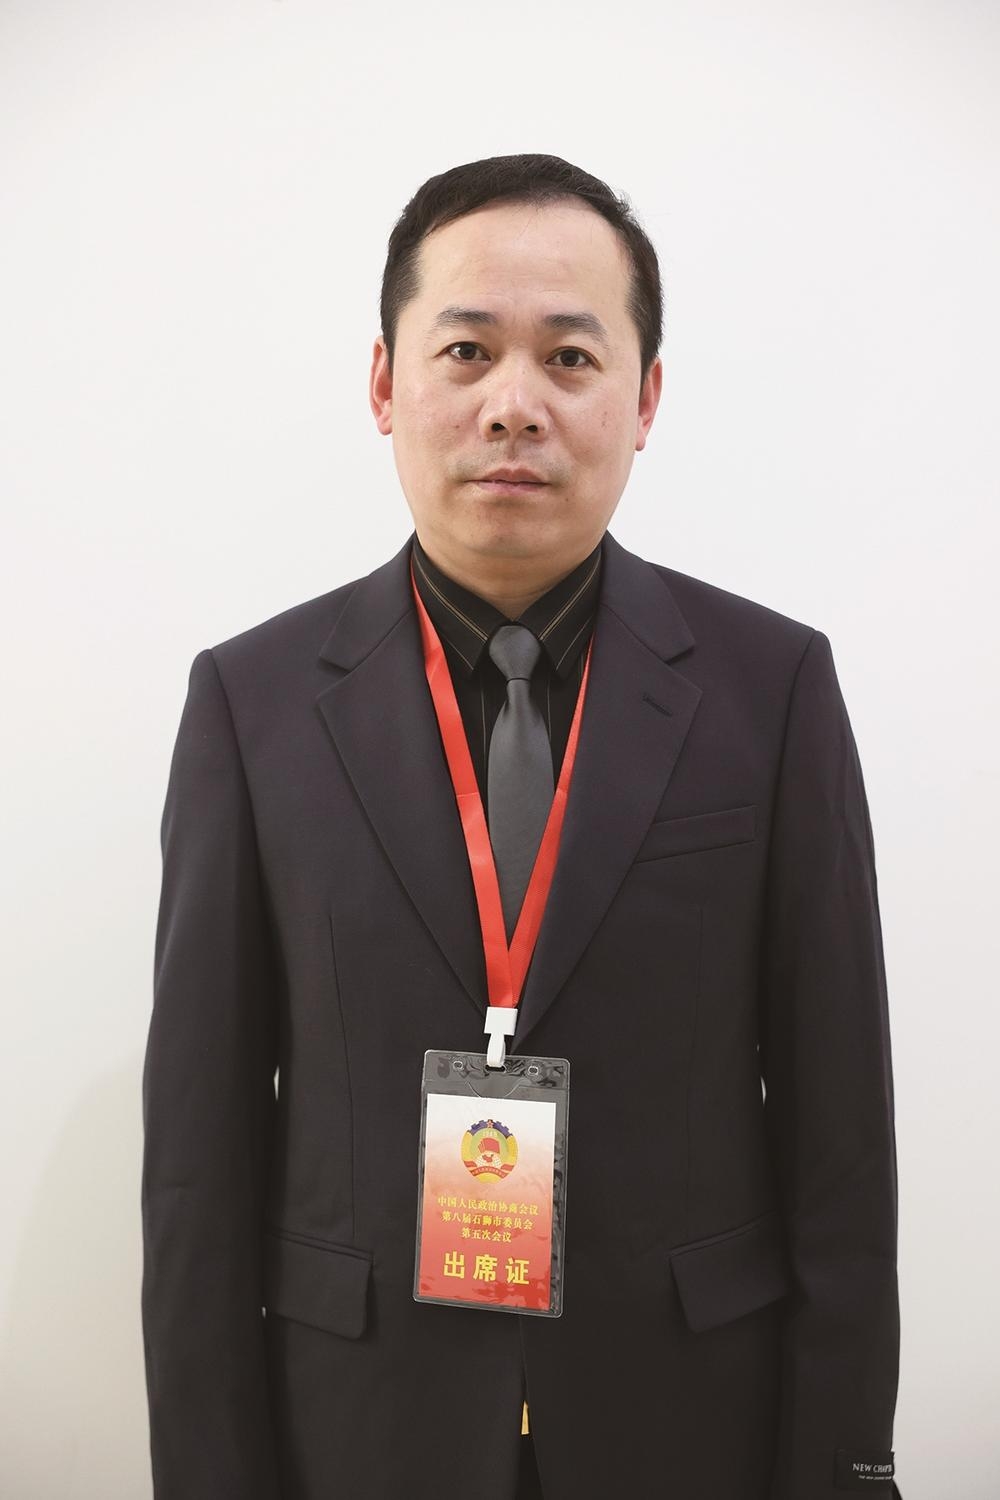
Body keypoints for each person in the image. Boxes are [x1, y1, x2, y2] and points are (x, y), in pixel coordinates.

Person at [141, 153, 903, 1500]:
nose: (513, 404)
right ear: (386, 384)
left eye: (569, 357)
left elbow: (839, 1134)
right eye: (466, 351)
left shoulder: (773, 689)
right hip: (360, 1426)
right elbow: (201, 1158)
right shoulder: (251, 705)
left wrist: (842, 1467)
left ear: (644, 398)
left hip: (689, 1423)